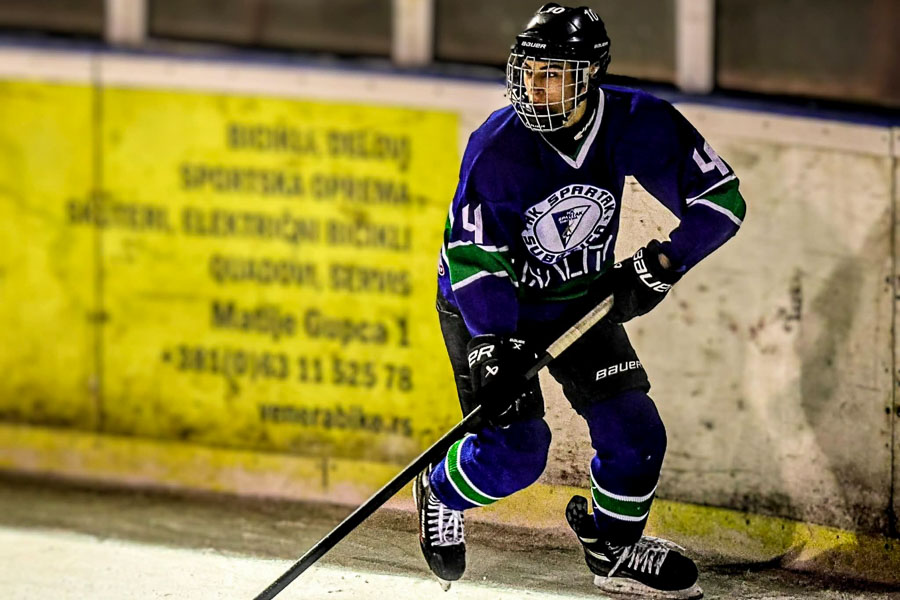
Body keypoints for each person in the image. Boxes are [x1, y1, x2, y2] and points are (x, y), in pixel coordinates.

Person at [414, 3, 746, 598]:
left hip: (580, 305)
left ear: (590, 75)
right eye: (528, 69)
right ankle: (440, 488)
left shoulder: (635, 122)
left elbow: (721, 202)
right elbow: (473, 255)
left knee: (636, 433)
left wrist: (661, 264)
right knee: (517, 453)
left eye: (553, 73)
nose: (534, 86)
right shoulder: (496, 146)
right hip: (490, 306)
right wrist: (492, 342)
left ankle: (614, 551)